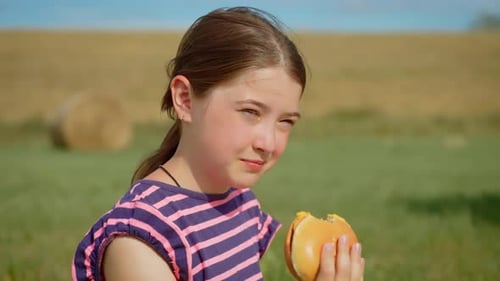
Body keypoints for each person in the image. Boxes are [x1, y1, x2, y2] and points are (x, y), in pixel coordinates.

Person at [72, 6, 364, 281]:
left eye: (285, 121)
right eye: (250, 112)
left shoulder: (240, 201)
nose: (268, 142)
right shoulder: (140, 238)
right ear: (185, 99)